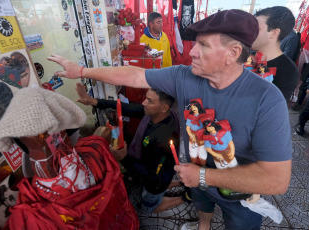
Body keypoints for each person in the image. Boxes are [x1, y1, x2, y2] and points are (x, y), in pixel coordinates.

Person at [48, 9, 292, 230]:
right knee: (202, 204)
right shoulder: (184, 76)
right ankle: (203, 226)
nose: (193, 52)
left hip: (238, 192)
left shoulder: (266, 99)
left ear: (233, 53)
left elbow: (276, 180)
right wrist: (81, 71)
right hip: (195, 177)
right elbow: (135, 76)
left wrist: (204, 176)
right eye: (195, 43)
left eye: (204, 45)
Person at [74, 82, 183, 214]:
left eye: (149, 101)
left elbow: (152, 176)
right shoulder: (157, 114)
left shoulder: (162, 138)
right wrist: (93, 101)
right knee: (159, 181)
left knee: (149, 208)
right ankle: (177, 183)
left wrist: (124, 158)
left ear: (164, 107)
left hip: (156, 182)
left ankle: (184, 198)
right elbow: (124, 107)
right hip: (160, 170)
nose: (143, 103)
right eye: (145, 98)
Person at [251, 6, 299, 101]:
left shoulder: (288, 70)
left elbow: (273, 110)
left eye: (257, 28)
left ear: (274, 33)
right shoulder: (244, 55)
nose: (250, 32)